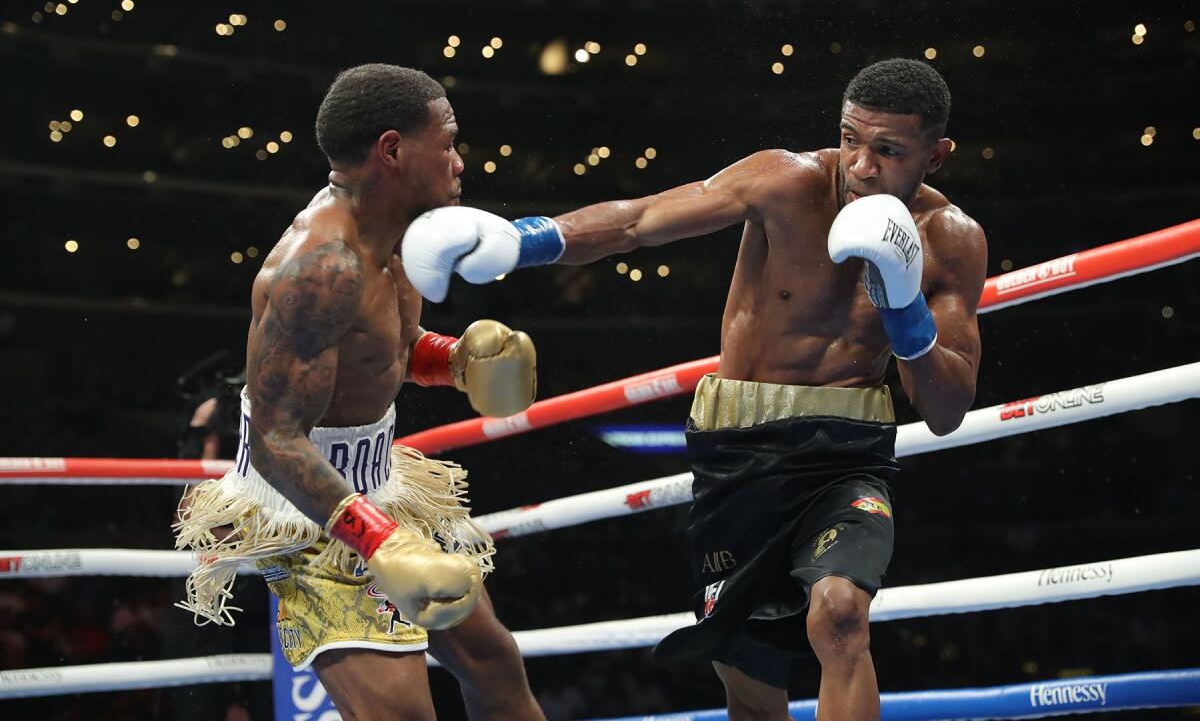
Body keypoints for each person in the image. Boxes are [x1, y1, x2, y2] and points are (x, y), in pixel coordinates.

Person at [401, 58, 987, 720]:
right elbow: (640, 219)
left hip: (846, 455)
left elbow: (945, 411)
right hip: (737, 453)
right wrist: (523, 241)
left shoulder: (952, 241)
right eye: (851, 139)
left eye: (888, 150)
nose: (860, 166)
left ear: (936, 155)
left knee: (842, 614)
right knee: (748, 675)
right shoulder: (786, 181)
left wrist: (902, 308)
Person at [175, 64, 546, 720]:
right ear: (394, 150)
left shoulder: (406, 231)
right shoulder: (322, 266)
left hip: (377, 484)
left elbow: (379, 347)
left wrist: (454, 361)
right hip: (305, 507)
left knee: (494, 665)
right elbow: (272, 442)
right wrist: (377, 538)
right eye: (449, 142)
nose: (460, 163)